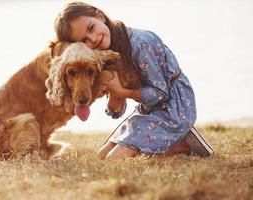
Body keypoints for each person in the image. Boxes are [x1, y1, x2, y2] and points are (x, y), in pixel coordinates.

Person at [54, 1, 214, 160]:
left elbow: (161, 93)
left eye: (91, 28)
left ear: (100, 16)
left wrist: (124, 92)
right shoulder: (108, 52)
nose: (93, 39)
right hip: (149, 109)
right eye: (84, 41)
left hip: (175, 107)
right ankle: (166, 141)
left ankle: (185, 143)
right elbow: (117, 109)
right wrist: (113, 95)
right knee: (102, 156)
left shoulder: (140, 44)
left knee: (113, 159)